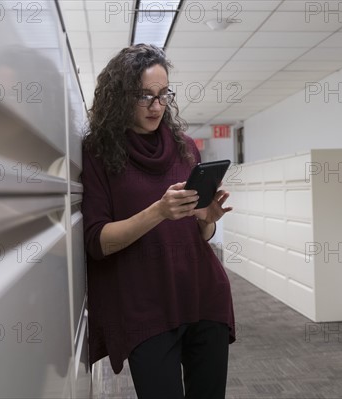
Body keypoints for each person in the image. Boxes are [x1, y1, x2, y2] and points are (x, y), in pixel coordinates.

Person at [81, 44, 236, 399]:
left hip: (203, 296)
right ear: (120, 96)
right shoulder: (98, 152)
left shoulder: (184, 146)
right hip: (144, 308)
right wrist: (158, 211)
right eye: (144, 96)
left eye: (163, 95)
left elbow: (202, 233)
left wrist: (207, 220)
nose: (156, 106)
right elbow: (97, 241)